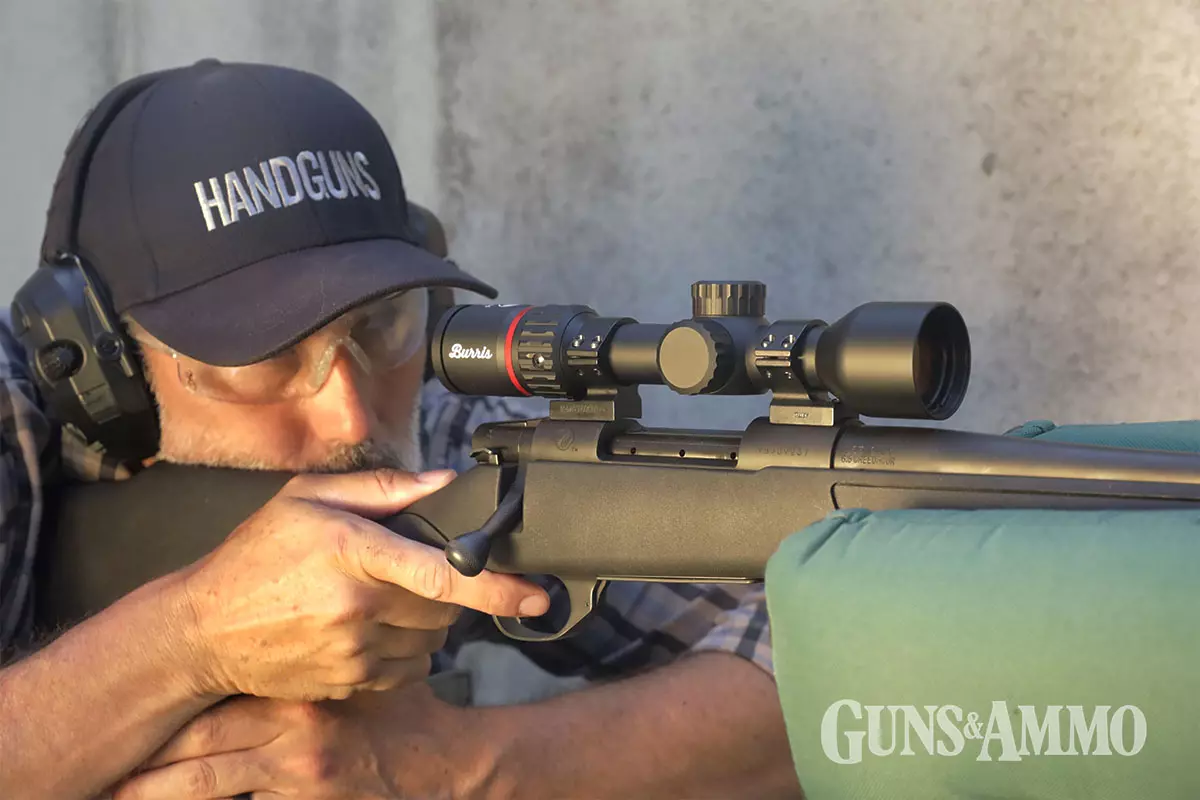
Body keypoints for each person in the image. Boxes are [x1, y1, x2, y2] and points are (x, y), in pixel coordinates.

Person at [0, 60, 800, 799]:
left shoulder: (440, 434)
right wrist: (188, 640)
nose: (351, 416)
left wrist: (461, 769)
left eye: (380, 322)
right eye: (265, 355)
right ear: (100, 368)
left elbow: (824, 661)